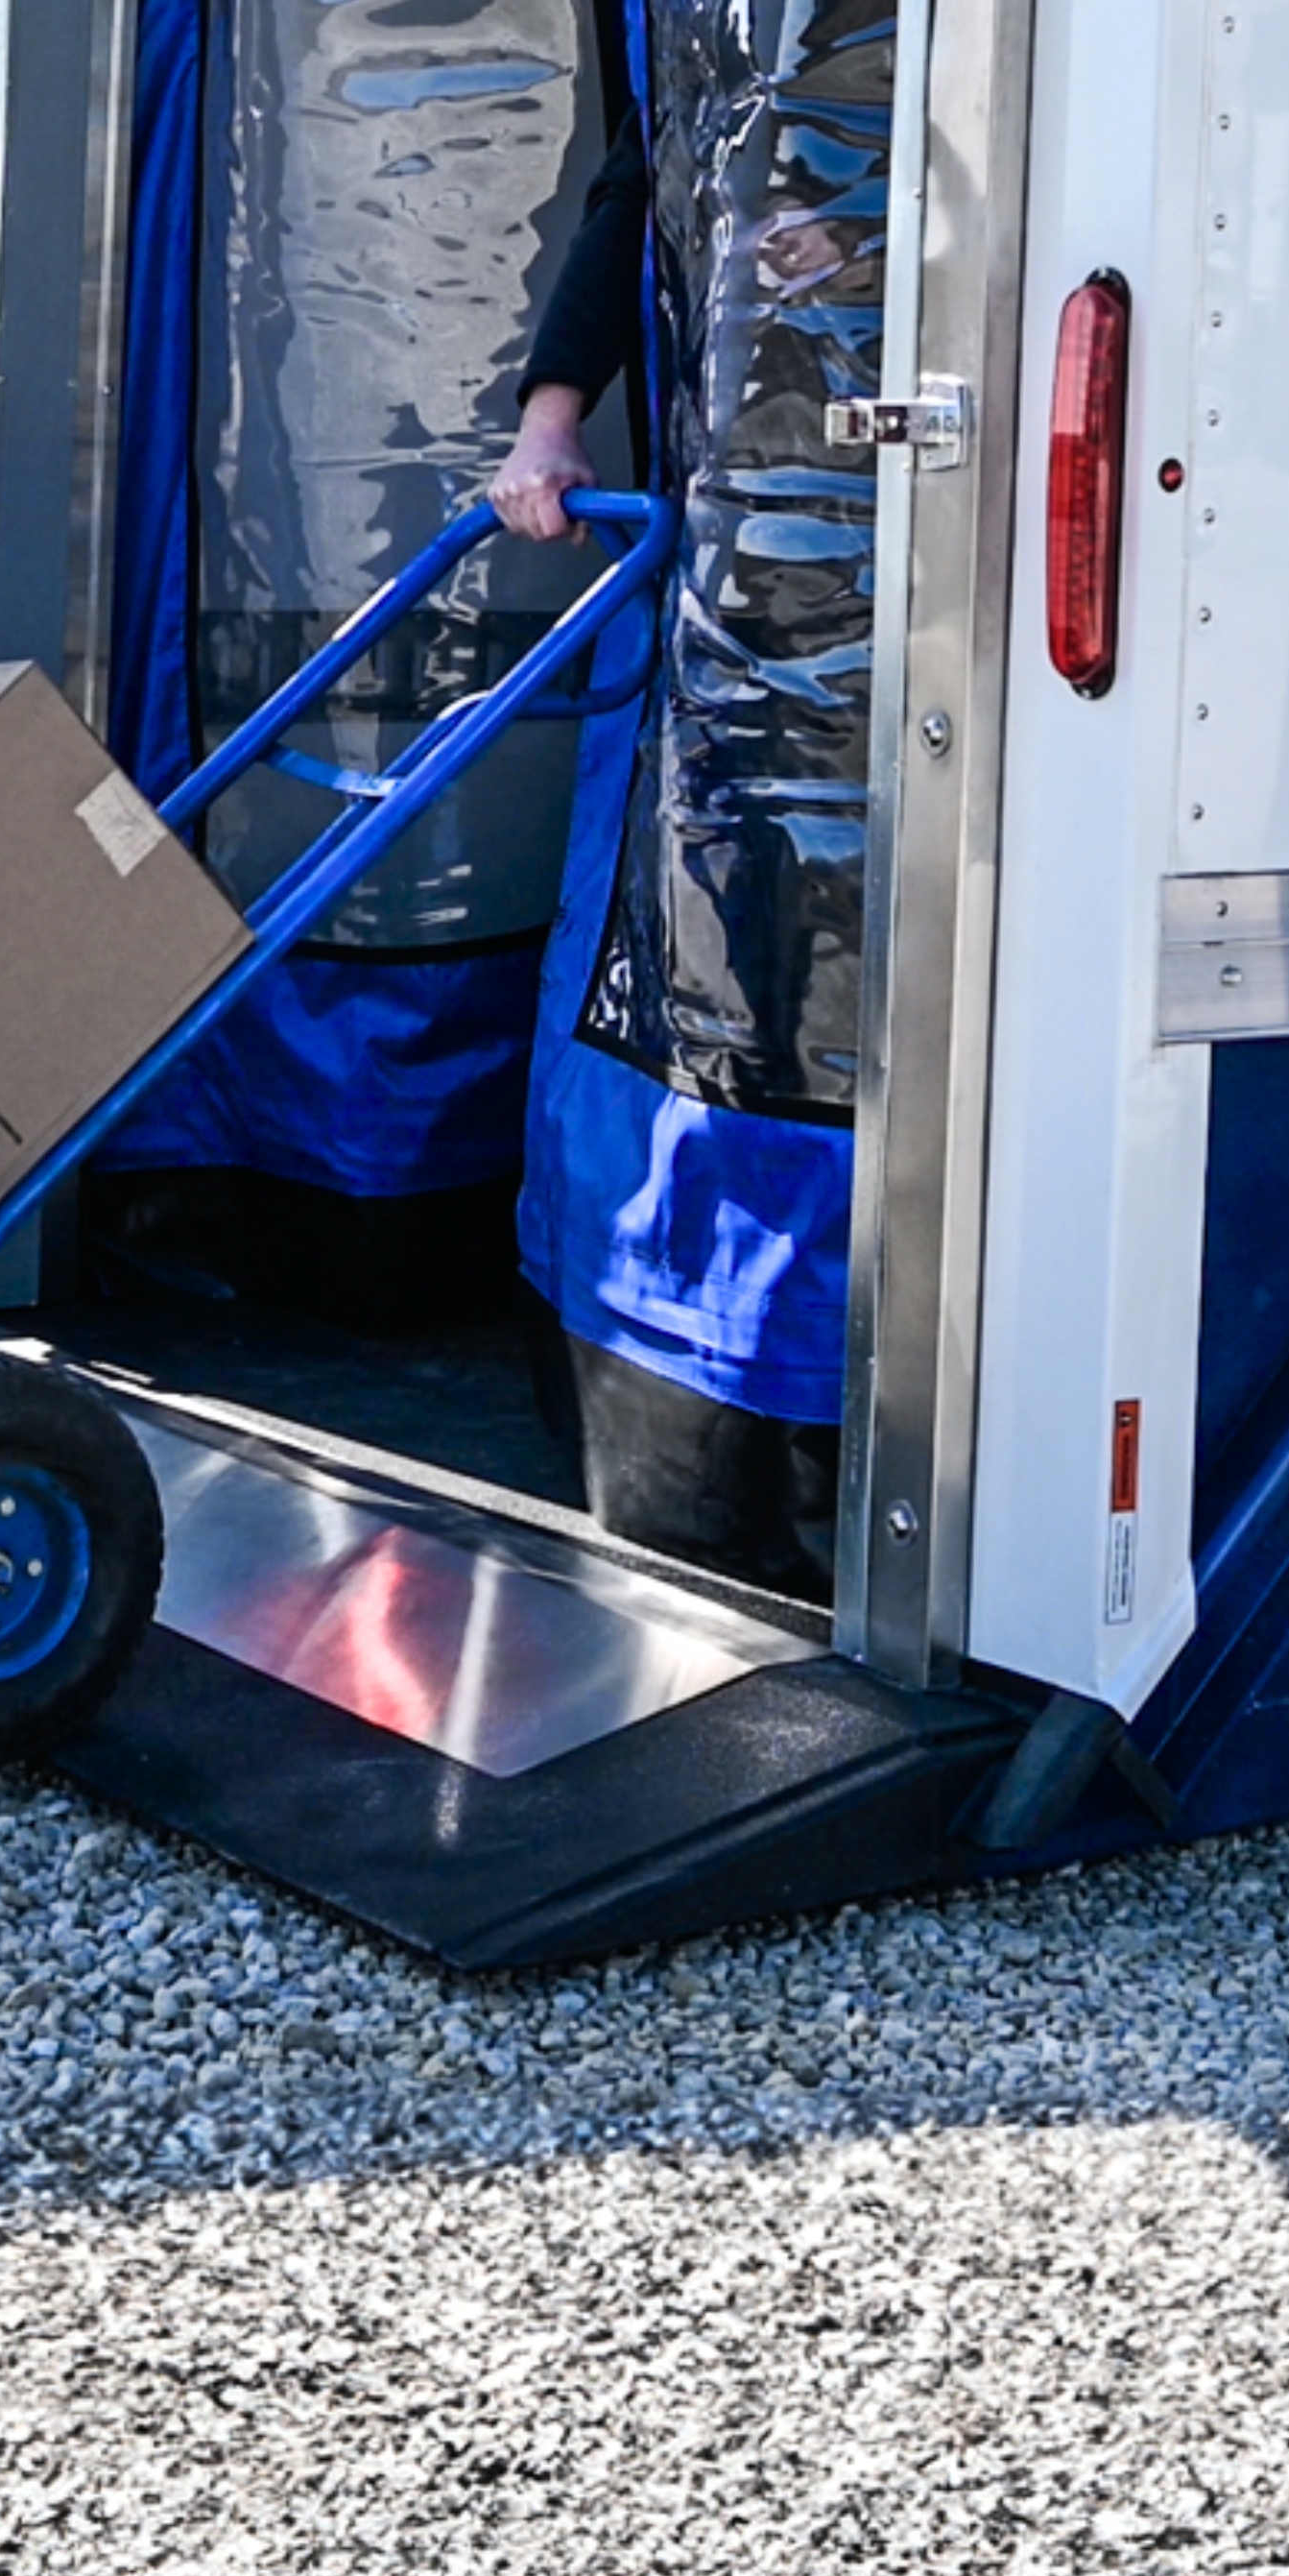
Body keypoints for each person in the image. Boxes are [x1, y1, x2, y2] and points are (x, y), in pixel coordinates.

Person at [481, 123, 848, 1593]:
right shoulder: (711, 2)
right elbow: (642, 178)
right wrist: (549, 417)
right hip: (712, 575)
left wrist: (877, 259)